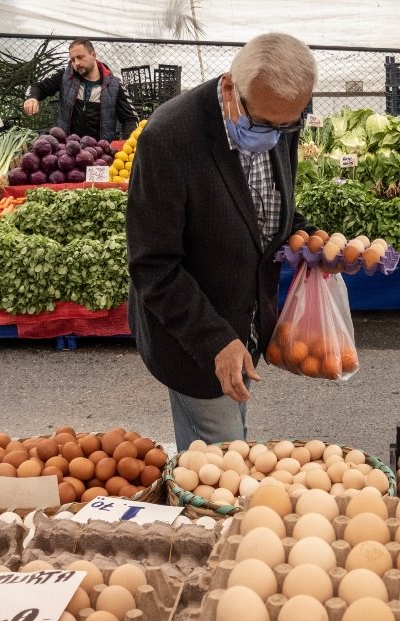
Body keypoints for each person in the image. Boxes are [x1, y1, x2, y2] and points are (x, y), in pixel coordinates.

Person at [126, 33, 319, 450]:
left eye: (287, 124)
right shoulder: (169, 137)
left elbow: (265, 209)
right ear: (230, 87)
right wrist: (215, 340)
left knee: (231, 448)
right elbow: (152, 264)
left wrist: (306, 236)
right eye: (263, 123)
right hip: (193, 333)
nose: (275, 135)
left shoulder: (279, 118)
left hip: (245, 321)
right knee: (222, 461)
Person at [22, 39, 139, 141]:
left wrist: (128, 145)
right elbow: (37, 87)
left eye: (80, 57)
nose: (76, 63)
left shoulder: (115, 85)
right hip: (67, 150)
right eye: (73, 60)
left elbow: (130, 119)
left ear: (94, 55)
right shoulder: (64, 76)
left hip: (100, 151)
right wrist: (31, 98)